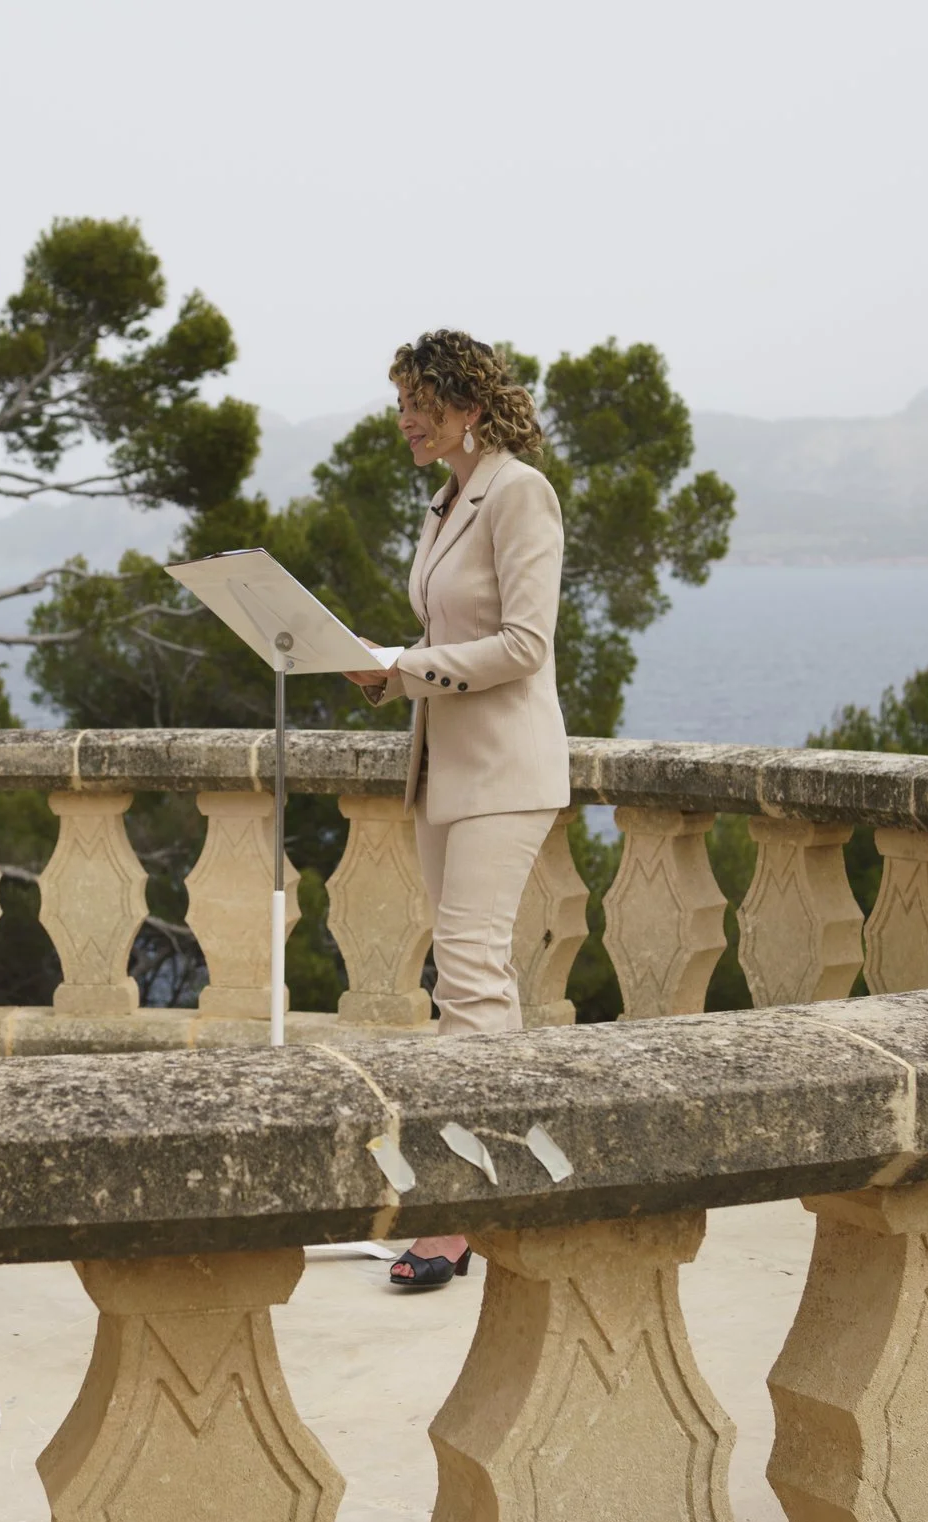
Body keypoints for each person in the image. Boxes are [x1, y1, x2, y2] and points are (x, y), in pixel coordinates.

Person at [346, 331, 570, 1291]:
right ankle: (516, 1182)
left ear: (467, 404)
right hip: (444, 772)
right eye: (399, 401)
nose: (403, 418)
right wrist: (385, 672)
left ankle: (457, 1212)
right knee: (477, 986)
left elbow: (524, 643)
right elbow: (450, 639)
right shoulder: (447, 499)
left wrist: (407, 664)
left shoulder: (519, 491)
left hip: (504, 774)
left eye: (417, 402)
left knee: (469, 984)